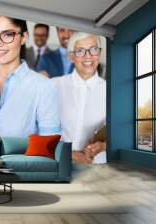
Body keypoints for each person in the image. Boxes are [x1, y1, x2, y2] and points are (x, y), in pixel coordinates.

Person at [0, 14, 61, 137]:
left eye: (7, 35)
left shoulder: (43, 86)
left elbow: (50, 147)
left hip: (19, 157)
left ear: (24, 37)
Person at [52, 32, 106, 164]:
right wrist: (69, 154)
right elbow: (36, 132)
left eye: (93, 49)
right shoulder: (53, 86)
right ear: (71, 56)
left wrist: (103, 146)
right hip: (59, 165)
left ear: (99, 54)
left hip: (98, 169)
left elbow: (121, 133)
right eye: (80, 51)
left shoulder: (110, 91)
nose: (88, 56)